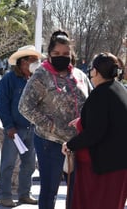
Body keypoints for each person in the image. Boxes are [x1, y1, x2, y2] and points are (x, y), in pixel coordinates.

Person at [18, 30, 92, 209]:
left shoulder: (79, 76)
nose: (61, 57)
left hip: (77, 143)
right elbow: (24, 106)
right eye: (57, 54)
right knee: (49, 191)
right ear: (49, 55)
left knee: (76, 191)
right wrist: (50, 125)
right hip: (50, 143)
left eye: (66, 54)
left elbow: (92, 101)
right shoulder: (41, 76)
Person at [62, 52, 127, 209]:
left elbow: (95, 132)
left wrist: (70, 145)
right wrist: (83, 121)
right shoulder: (119, 89)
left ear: (96, 72)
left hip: (102, 168)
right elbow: (111, 119)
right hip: (119, 164)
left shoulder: (100, 93)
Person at [0, 45, 41, 207]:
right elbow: (2, 105)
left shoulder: (36, 80)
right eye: (33, 60)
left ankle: (24, 194)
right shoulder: (8, 80)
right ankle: (5, 196)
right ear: (22, 62)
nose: (36, 63)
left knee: (29, 165)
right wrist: (9, 126)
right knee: (8, 164)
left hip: (32, 129)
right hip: (14, 130)